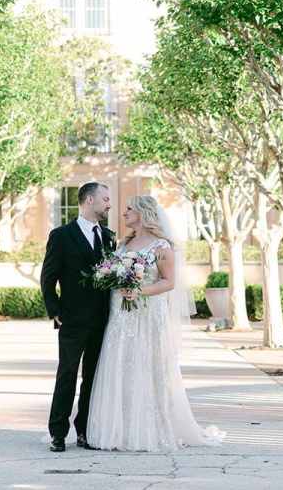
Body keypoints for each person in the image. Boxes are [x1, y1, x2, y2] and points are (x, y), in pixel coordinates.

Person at [85, 195, 225, 452]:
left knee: (147, 366)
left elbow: (169, 282)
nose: (124, 213)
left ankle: (150, 430)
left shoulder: (161, 246)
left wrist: (139, 291)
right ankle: (117, 431)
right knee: (120, 364)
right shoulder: (123, 243)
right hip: (120, 316)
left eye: (129, 209)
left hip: (147, 316)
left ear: (143, 213)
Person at [40, 181, 116, 452]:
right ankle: (58, 433)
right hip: (72, 319)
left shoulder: (109, 237)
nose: (109, 204)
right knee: (67, 374)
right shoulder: (61, 235)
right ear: (89, 200)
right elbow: (48, 277)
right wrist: (55, 311)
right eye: (105, 199)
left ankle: (84, 430)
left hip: (103, 320)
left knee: (93, 377)